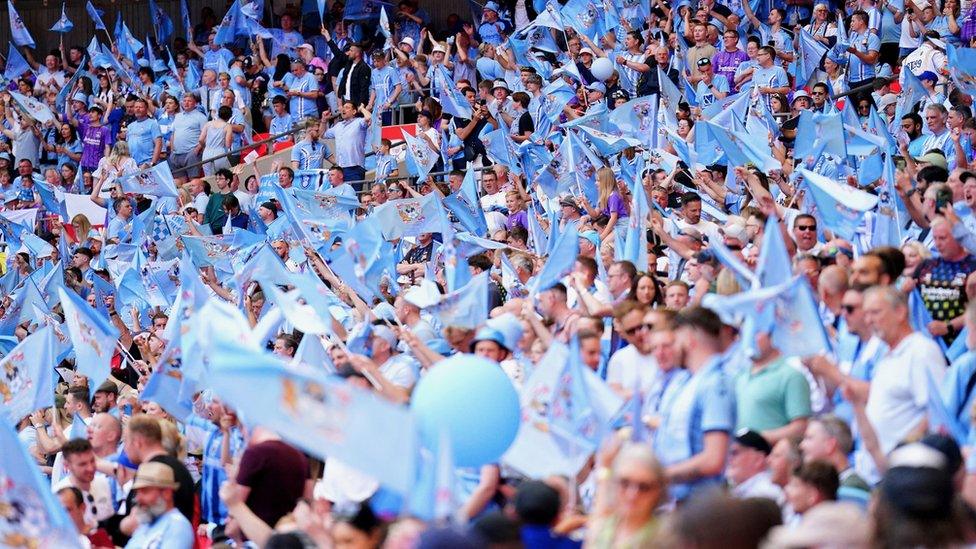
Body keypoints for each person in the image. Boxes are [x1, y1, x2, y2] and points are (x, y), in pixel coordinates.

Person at [124, 462, 194, 549]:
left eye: (145, 491)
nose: (138, 498)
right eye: (137, 492)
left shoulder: (177, 526)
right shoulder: (147, 521)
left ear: (167, 493)